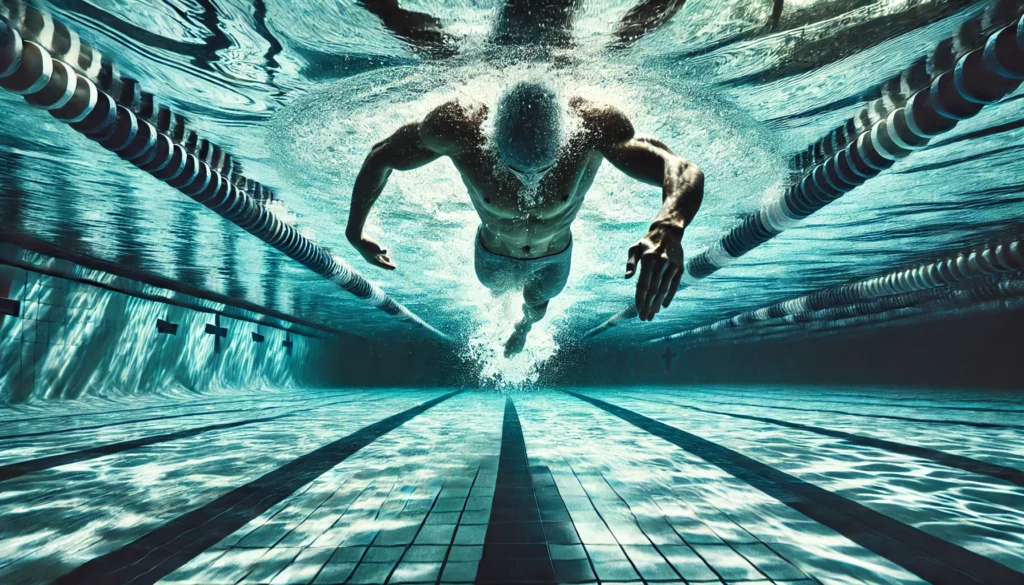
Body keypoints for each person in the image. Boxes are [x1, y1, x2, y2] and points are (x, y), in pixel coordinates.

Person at [345, 82, 704, 356]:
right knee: (497, 291)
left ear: (567, 139)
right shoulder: (458, 130)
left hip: (553, 256)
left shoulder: (593, 130)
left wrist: (668, 226)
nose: (529, 184)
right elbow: (382, 156)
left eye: (543, 171)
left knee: (536, 306)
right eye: (514, 171)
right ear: (489, 140)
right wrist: (355, 233)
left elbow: (681, 167)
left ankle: (524, 329)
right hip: (493, 253)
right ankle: (502, 308)